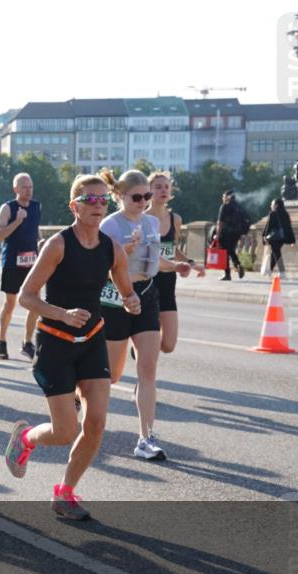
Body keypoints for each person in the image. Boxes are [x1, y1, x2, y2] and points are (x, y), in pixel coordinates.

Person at [4, 171, 139, 520]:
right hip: (57, 343)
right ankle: (27, 438)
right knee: (65, 432)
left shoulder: (111, 248)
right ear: (74, 206)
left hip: (92, 340)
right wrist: (62, 314)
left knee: (96, 422)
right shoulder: (59, 245)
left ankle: (65, 493)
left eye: (102, 200)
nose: (97, 205)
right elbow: (27, 297)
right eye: (89, 200)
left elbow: (126, 289)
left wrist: (132, 302)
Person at [99, 170, 191, 461]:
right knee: (112, 375)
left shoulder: (151, 222)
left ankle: (146, 438)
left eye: (146, 196)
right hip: (116, 298)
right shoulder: (109, 225)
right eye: (137, 197)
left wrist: (175, 266)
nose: (143, 202)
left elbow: (155, 258)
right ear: (119, 197)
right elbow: (99, 265)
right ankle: (80, 394)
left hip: (148, 295)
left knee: (148, 369)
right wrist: (123, 252)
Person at [146, 172, 205, 354]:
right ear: (148, 192)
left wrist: (190, 262)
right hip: (146, 284)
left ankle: (140, 349)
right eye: (158, 187)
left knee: (168, 346)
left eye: (166, 186)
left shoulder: (175, 220)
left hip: (168, 285)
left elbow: (173, 250)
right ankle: (143, 360)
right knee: (150, 343)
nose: (163, 190)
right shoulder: (142, 219)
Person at [0, 173, 41, 360]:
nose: (28, 190)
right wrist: (17, 221)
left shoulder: (36, 207)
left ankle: (28, 342)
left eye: (30, 187)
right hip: (12, 262)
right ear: (15, 189)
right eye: (24, 187)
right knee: (10, 304)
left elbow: (35, 229)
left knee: (35, 303)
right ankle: (1, 341)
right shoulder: (8, 208)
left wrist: (41, 242)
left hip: (32, 262)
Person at [213, 190, 246, 281]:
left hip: (226, 233)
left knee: (225, 254)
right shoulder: (238, 208)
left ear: (228, 197)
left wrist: (217, 234)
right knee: (231, 250)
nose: (222, 198)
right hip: (236, 233)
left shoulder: (224, 206)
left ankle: (227, 275)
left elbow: (220, 222)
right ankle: (238, 265)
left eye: (224, 196)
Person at [263, 198, 296, 277]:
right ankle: (269, 271)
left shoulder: (272, 214)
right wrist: (292, 240)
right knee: (275, 253)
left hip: (273, 237)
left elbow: (268, 227)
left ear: (276, 205)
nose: (271, 206)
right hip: (282, 237)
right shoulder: (285, 214)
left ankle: (282, 272)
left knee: (276, 254)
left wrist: (264, 236)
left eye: (272, 204)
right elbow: (289, 227)